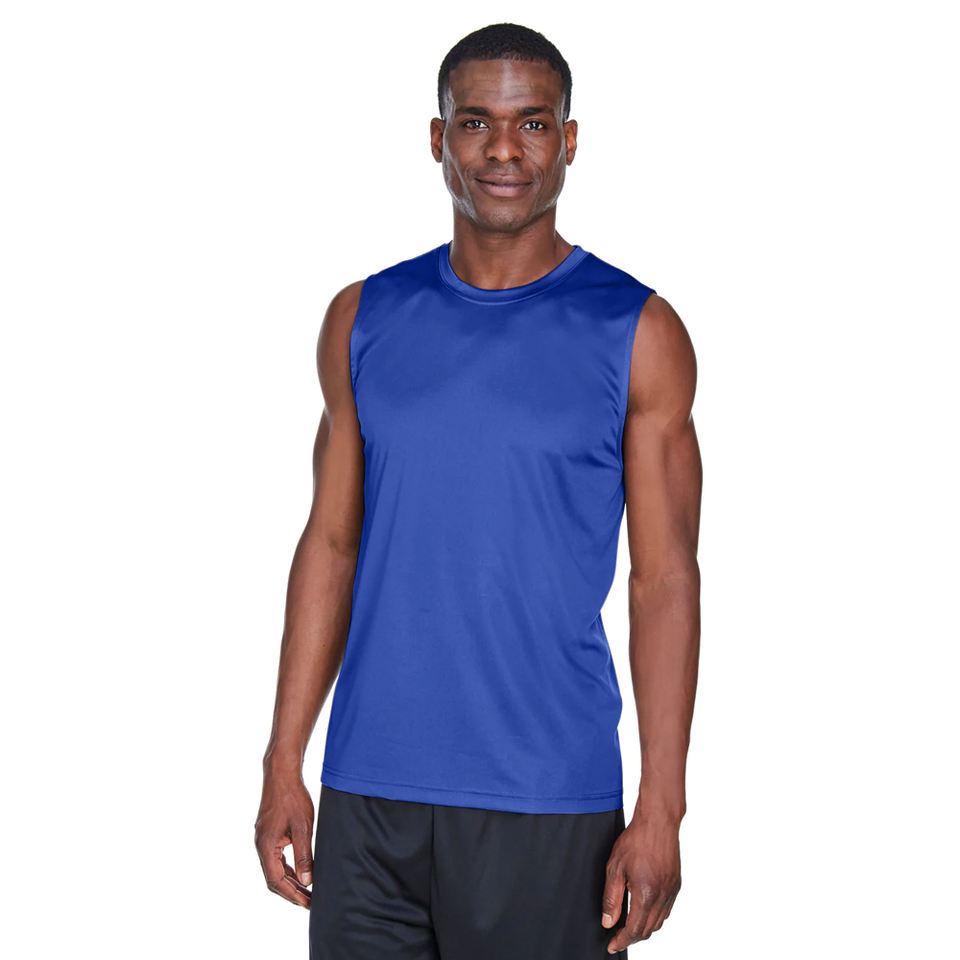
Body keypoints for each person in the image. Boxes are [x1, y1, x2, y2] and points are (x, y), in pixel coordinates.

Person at [255, 22, 702, 959]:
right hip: (368, 797)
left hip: (546, 800)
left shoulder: (638, 331)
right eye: (476, 123)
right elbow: (330, 545)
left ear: (568, 141)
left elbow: (664, 579)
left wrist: (662, 805)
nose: (504, 150)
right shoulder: (362, 317)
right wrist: (284, 757)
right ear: (438, 139)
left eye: (532, 123)